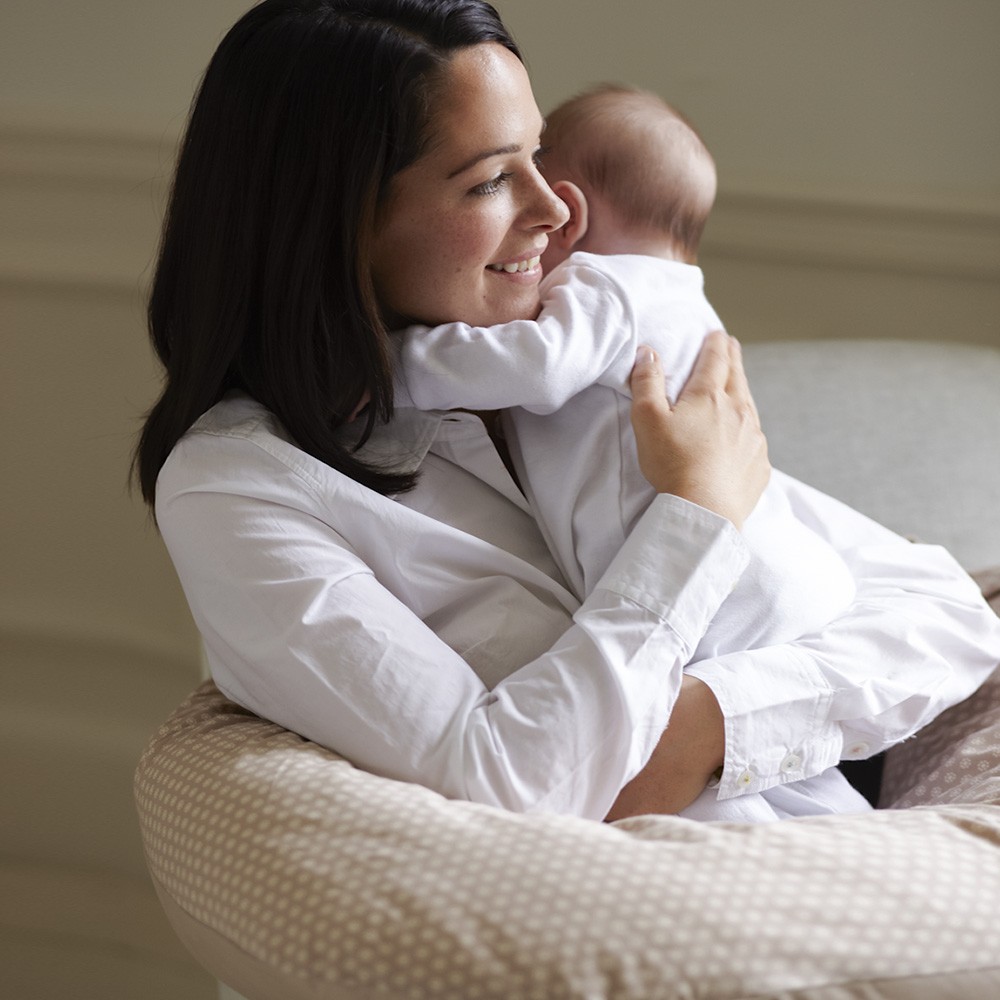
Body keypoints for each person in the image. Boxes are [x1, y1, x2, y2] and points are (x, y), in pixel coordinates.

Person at [134, 0, 1000, 826]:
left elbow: (947, 614)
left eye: (539, 157)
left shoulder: (582, 381)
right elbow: (505, 777)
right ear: (336, 219)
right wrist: (695, 517)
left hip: (832, 848)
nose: (555, 211)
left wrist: (708, 728)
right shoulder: (239, 487)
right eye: (490, 182)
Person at [390, 84, 872, 822]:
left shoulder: (603, 285)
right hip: (775, 577)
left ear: (570, 211)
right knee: (778, 783)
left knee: (705, 789)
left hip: (710, 593)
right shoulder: (685, 299)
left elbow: (537, 366)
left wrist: (393, 362)